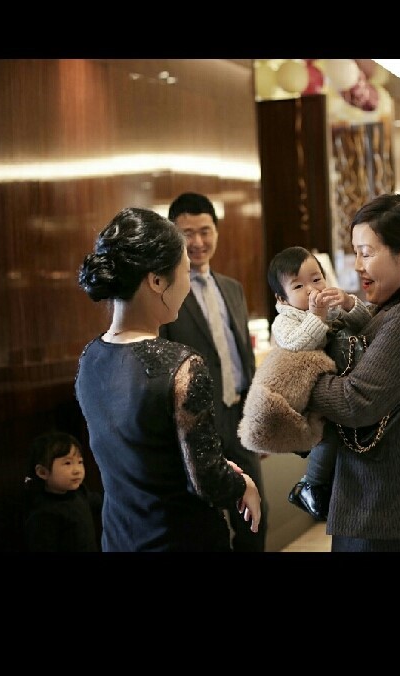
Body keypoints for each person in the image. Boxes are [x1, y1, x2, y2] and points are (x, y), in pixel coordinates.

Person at [75, 207, 261, 552]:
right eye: (185, 271)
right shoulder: (181, 366)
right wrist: (242, 483)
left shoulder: (90, 357)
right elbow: (207, 482)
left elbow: (151, 456)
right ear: (157, 281)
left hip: (121, 537)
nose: (187, 285)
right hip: (178, 539)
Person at [293, 193, 400, 552]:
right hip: (368, 505)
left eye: (366, 253)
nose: (357, 266)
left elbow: (356, 401)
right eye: (355, 253)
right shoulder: (386, 310)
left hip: (387, 512)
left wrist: (297, 375)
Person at [158, 192, 267, 552]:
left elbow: (242, 356)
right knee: (207, 526)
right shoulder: (165, 293)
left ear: (217, 232)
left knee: (255, 519)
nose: (197, 242)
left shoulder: (232, 288)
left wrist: (256, 416)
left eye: (205, 231)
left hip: (239, 419)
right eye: (187, 233)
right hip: (198, 425)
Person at [263, 245, 372, 522]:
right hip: (306, 396)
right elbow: (300, 344)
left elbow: (367, 324)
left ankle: (321, 485)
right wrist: (317, 317)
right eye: (299, 286)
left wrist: (348, 302)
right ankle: (310, 485)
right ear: (282, 298)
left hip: (335, 389)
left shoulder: (332, 307)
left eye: (316, 279)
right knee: (327, 437)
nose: (312, 290)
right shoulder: (284, 321)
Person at [23, 431, 102, 552]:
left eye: (80, 462)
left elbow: (99, 502)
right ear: (43, 472)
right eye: (67, 463)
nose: (77, 470)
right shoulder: (43, 514)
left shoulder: (80, 492)